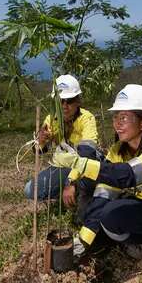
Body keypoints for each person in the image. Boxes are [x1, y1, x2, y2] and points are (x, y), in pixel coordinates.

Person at [52, 84, 142, 259]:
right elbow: (105, 191)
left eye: (124, 118)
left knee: (111, 215)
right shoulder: (118, 150)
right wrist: (84, 239)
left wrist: (79, 163)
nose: (116, 123)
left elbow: (126, 175)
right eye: (115, 117)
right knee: (93, 216)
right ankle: (122, 237)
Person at [24, 75, 101, 219]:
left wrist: (71, 182)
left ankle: (83, 192)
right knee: (30, 190)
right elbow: (38, 151)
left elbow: (88, 155)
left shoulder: (87, 118)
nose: (65, 106)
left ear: (78, 101)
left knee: (84, 216)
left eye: (70, 101)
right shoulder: (51, 119)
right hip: (62, 166)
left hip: (84, 166)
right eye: (60, 101)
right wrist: (40, 141)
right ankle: (68, 193)